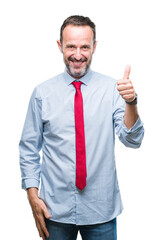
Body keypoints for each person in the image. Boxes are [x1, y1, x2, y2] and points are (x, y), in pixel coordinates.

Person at [19, 15, 144, 240]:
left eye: (85, 47)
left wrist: (131, 102)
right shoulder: (42, 93)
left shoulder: (112, 90)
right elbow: (29, 148)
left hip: (100, 210)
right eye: (71, 47)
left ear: (94, 47)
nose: (78, 55)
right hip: (54, 210)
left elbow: (132, 140)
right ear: (60, 46)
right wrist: (32, 195)